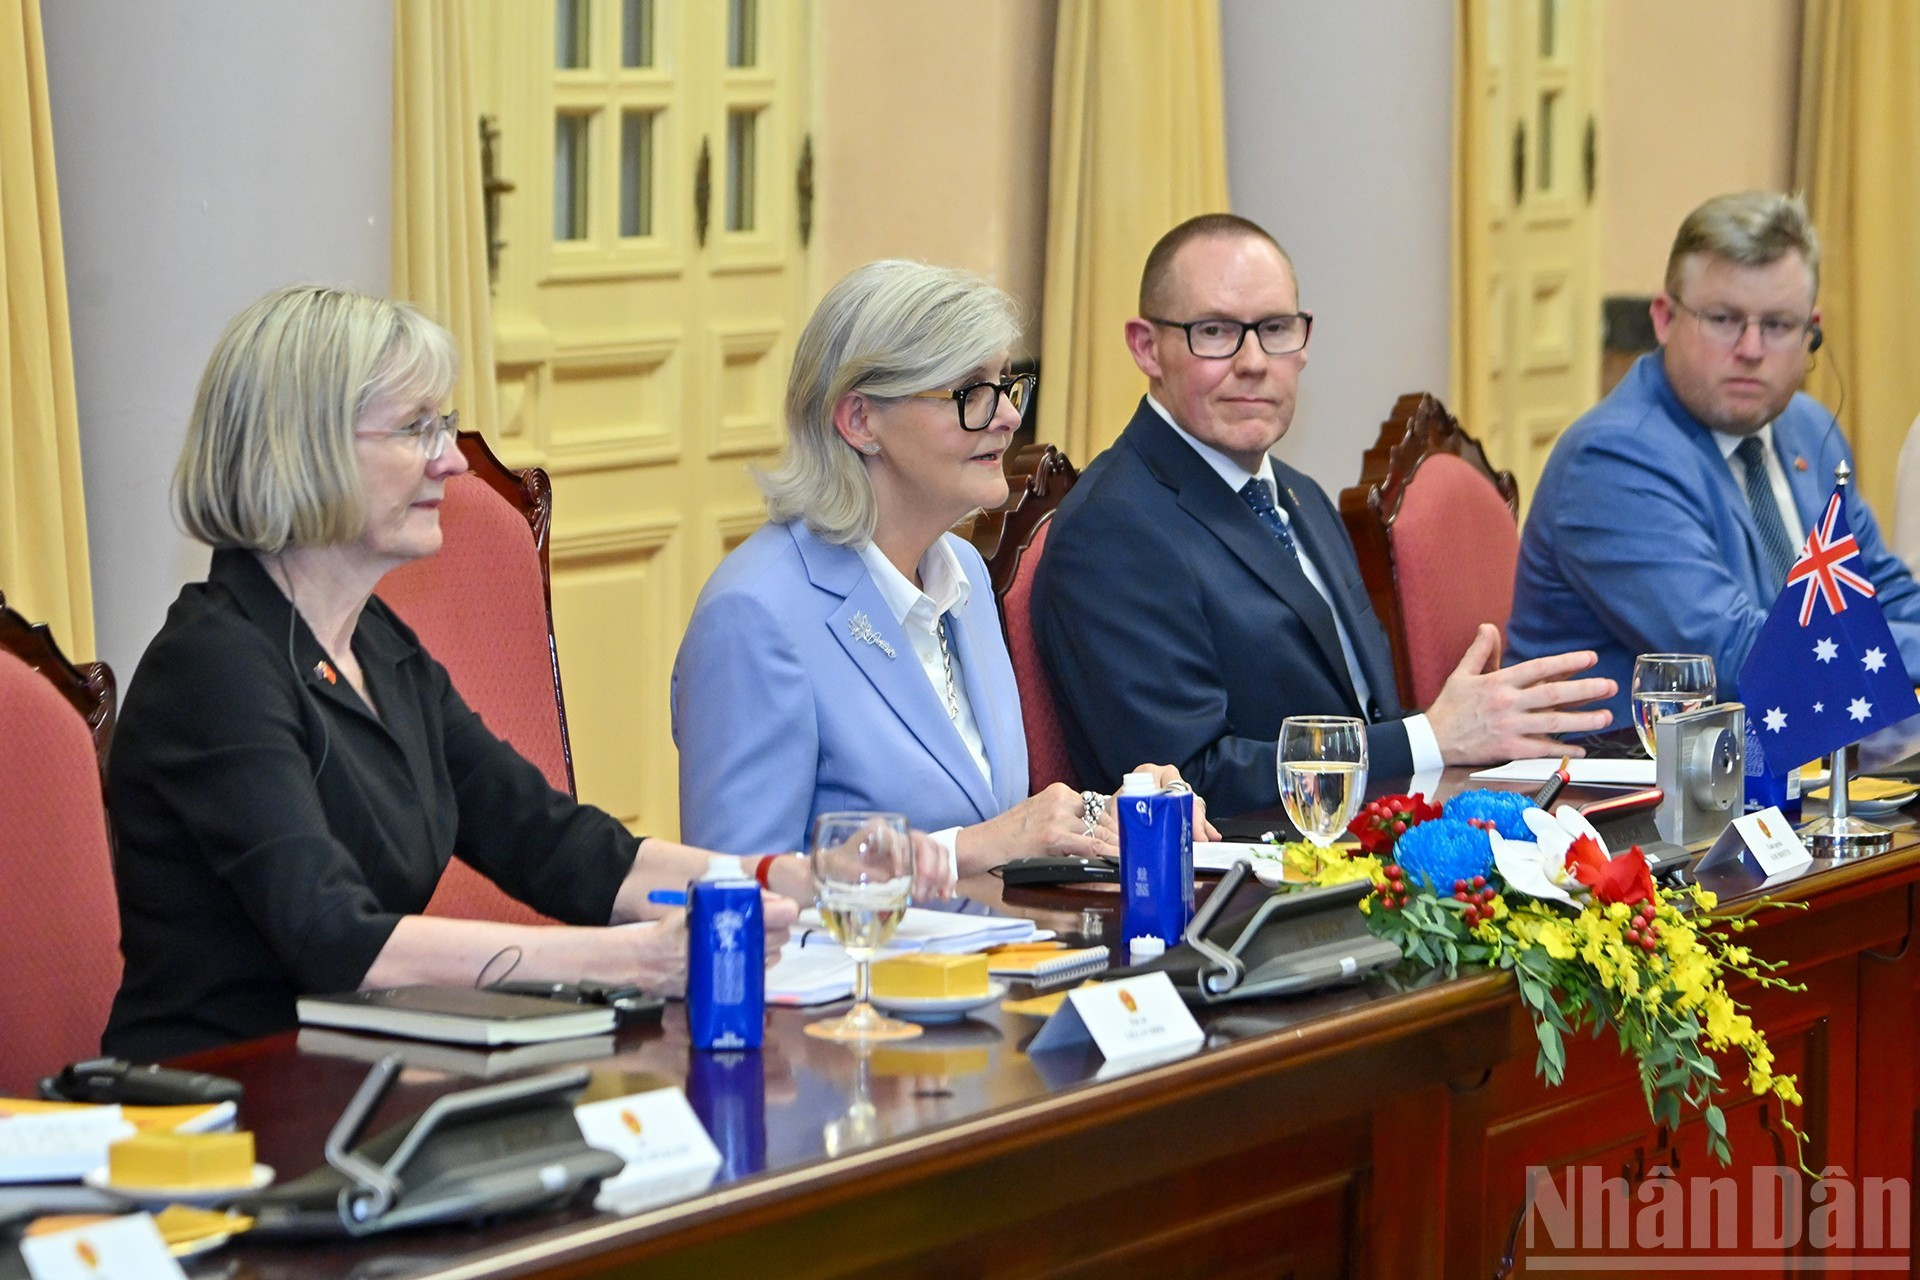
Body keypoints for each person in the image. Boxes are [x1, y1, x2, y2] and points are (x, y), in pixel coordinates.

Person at [105, 286, 798, 1061]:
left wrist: (777, 881)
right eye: (416, 429)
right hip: (218, 1095)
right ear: (304, 449)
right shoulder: (214, 667)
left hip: (361, 1071)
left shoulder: (376, 645)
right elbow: (340, 944)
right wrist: (634, 959)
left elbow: (554, 844)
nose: (454, 460)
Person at [1032, 215, 1615, 817]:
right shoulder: (1114, 528)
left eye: (1275, 329)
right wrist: (1430, 738)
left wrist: (1477, 728)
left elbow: (1362, 715)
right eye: (1214, 331)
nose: (1254, 361)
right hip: (1246, 869)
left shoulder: (1299, 494)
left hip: (1369, 836)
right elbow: (1188, 780)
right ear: (1146, 347)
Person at [672, 260, 1209, 867]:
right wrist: (969, 850)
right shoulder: (754, 614)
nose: (1008, 417)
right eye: (970, 392)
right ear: (860, 420)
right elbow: (736, 892)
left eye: (1006, 384)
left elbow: (993, 821)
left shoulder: (962, 571)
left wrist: (1113, 813)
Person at [1508, 191, 1920, 721]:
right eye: (1724, 319)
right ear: (1664, 318)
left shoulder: (1809, 429)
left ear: (1811, 332)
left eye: (1778, 325)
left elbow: (1880, 593)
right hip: (1623, 765)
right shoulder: (1610, 461)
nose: (1751, 349)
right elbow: (1744, 657)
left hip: (1787, 750)